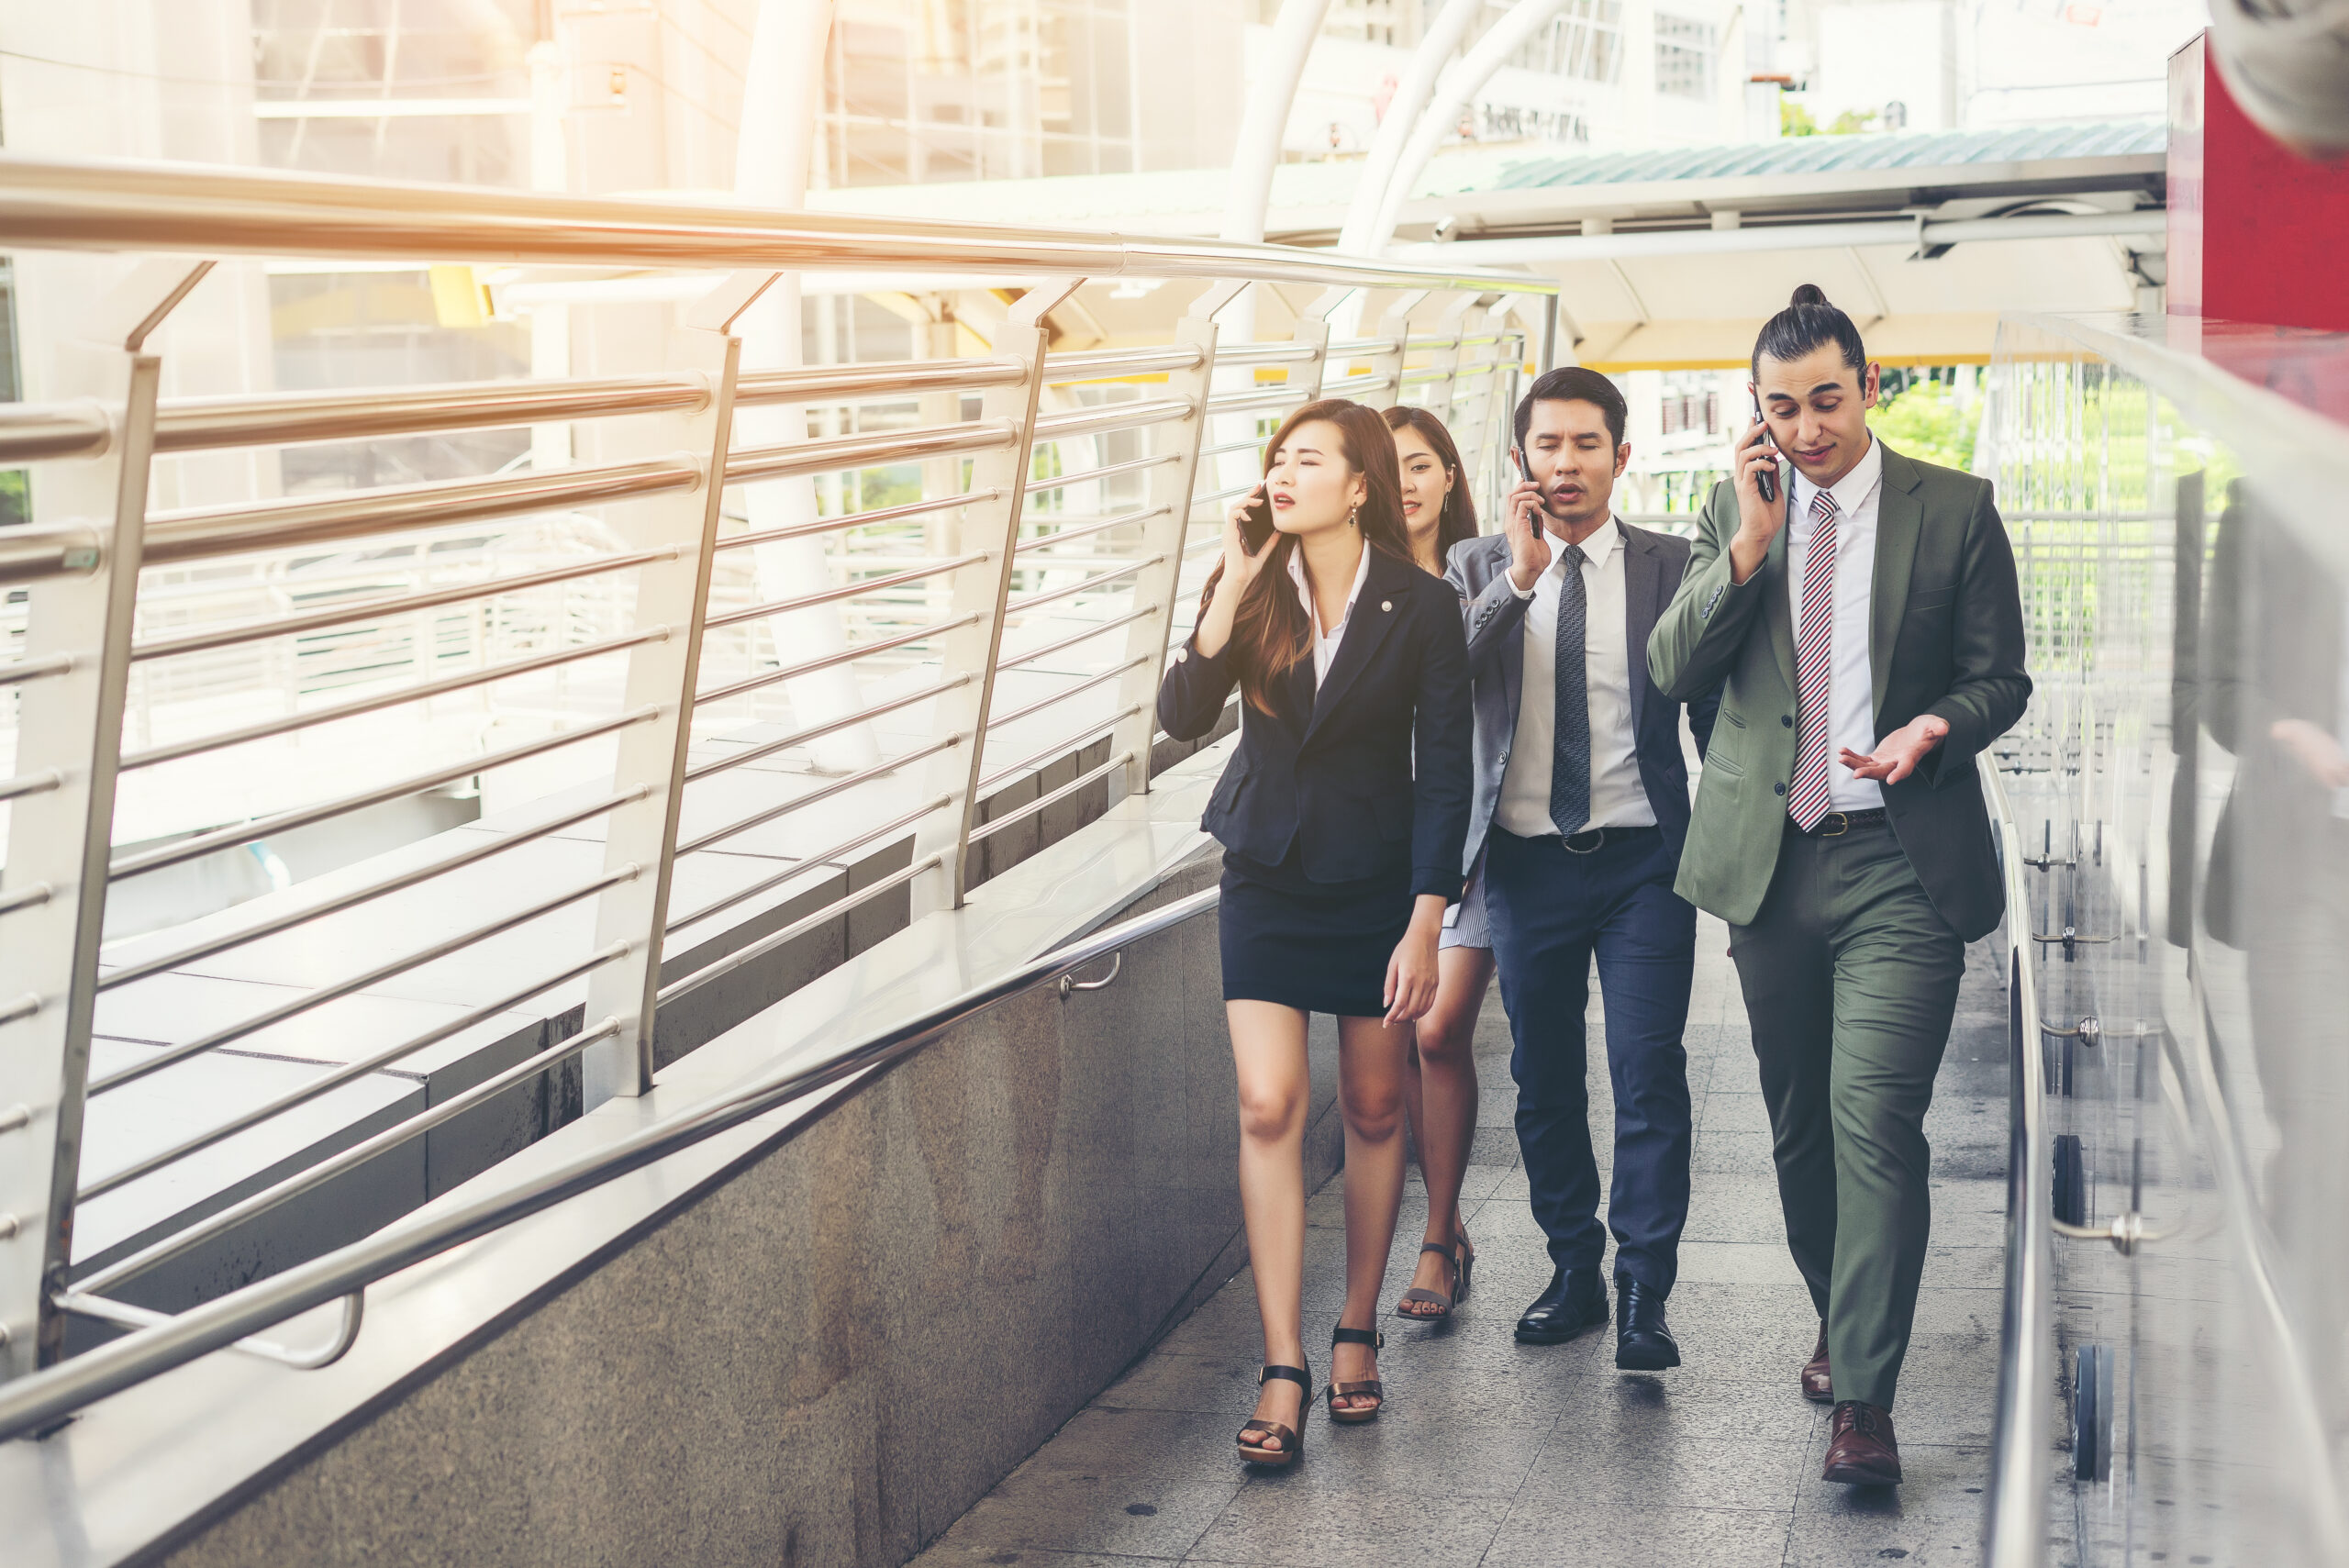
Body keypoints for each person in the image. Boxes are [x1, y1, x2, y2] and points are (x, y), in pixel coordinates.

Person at [1646, 285, 2029, 1485]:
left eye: (1826, 400)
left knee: (1875, 1119)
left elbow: (2001, 677)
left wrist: (1935, 725)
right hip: (1771, 864)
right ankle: (1838, 1307)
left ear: (1869, 387)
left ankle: (1864, 1396)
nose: (1807, 429)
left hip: (1899, 859)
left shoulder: (1953, 508)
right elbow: (1671, 668)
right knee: (1800, 1122)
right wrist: (1749, 549)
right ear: (1754, 410)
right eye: (1782, 407)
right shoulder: (1731, 509)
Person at [1157, 398, 1472, 1467]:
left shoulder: (1421, 605)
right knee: (1268, 1101)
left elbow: (1446, 773)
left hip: (1376, 885)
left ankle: (1355, 1328)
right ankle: (1282, 1360)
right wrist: (1233, 578)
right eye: (1276, 458)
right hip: (1264, 875)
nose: (1282, 475)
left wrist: (1427, 918)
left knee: (1376, 1105)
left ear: (1359, 485)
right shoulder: (1252, 581)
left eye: (1307, 459)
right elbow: (1181, 712)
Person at [1446, 367, 1718, 1370]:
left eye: (1586, 444)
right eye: (1548, 445)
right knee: (1543, 1076)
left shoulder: (1670, 564)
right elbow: (1439, 684)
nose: (1566, 463)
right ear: (1521, 458)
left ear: (1621, 455)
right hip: (1525, 865)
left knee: (1648, 1071)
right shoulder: (1477, 565)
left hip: (1645, 860)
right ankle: (1574, 1268)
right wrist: (1519, 580)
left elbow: (1711, 707)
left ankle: (1644, 1286)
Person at [1383, 404, 1487, 1321]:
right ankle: (1444, 1223)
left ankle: (1435, 1234)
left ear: (1449, 474)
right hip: (1382, 840)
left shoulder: (1486, 567)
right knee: (1399, 1037)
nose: (1405, 481)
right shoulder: (1352, 581)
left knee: (1439, 1028)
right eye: (1387, 466)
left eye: (1420, 463)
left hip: (1474, 835)